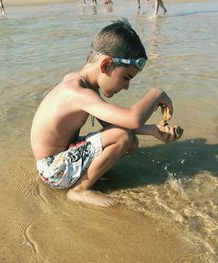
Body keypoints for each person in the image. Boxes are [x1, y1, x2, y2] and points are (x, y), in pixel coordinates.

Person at [30, 19, 182, 207]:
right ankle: (80, 190)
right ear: (106, 65)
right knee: (122, 137)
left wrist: (152, 130)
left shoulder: (79, 83)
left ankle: (89, 175)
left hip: (56, 162)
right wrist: (156, 94)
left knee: (129, 139)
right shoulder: (78, 94)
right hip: (54, 170)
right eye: (126, 78)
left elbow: (111, 124)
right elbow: (132, 120)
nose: (126, 87)